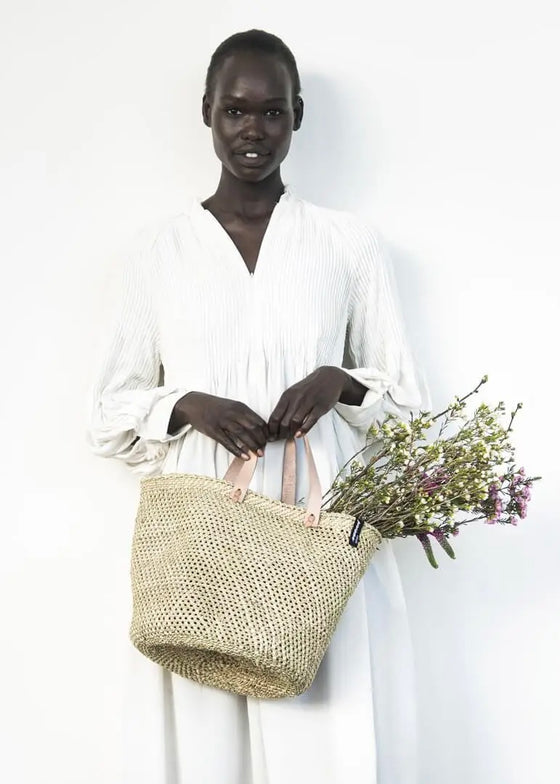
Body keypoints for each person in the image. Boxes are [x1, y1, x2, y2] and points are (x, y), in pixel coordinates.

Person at [87, 28, 430, 784]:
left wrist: (336, 381)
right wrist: (188, 404)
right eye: (236, 111)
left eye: (272, 113)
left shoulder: (349, 245)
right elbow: (108, 412)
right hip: (201, 523)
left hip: (316, 515)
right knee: (203, 727)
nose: (253, 130)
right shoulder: (158, 252)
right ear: (206, 111)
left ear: (298, 116)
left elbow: (407, 403)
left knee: (323, 726)